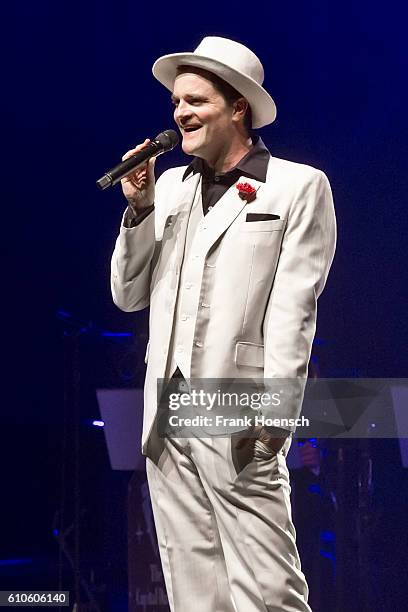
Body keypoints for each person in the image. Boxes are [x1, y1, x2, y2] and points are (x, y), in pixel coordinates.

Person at [111, 36, 336, 612]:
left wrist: (278, 415)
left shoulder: (296, 186)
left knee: (267, 590)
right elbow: (128, 295)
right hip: (168, 409)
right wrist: (138, 211)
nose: (181, 113)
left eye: (197, 101)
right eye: (177, 104)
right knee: (194, 593)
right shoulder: (169, 189)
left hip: (239, 410)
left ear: (238, 108)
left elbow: (294, 308)